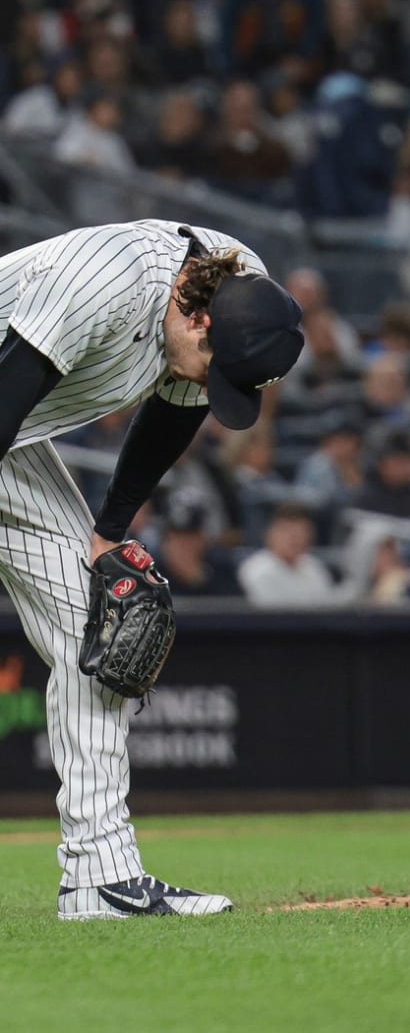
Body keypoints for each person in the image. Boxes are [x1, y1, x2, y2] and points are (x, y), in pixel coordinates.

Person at [0, 218, 303, 919]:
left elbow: (174, 411)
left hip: (15, 438)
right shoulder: (106, 280)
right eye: (215, 368)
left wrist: (109, 532)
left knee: (97, 626)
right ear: (194, 316)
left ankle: (100, 879)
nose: (212, 386)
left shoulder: (235, 286)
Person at [238, 504, 337, 607]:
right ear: (270, 534)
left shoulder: (314, 565)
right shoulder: (257, 569)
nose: (294, 539)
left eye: (301, 532)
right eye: (287, 531)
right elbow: (276, 615)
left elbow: (328, 605)